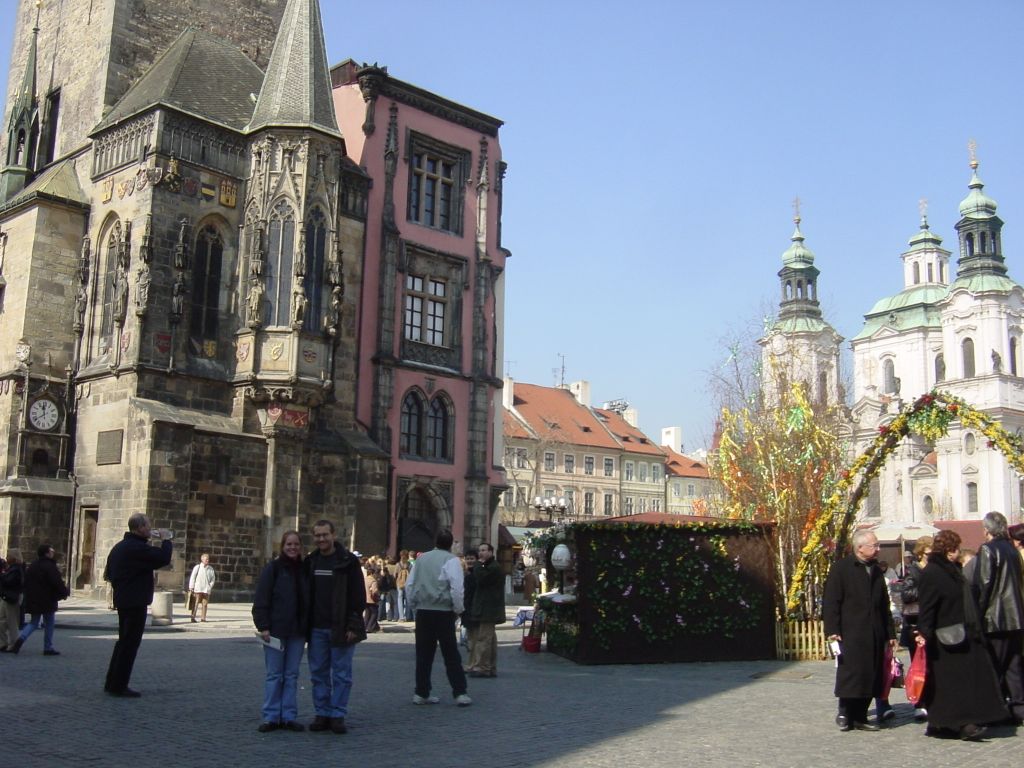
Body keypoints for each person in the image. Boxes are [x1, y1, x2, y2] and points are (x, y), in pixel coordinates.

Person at [915, 529, 1006, 740]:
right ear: (948, 551)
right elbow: (927, 607)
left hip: (963, 633)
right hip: (944, 637)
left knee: (962, 682)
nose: (958, 552)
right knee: (951, 684)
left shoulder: (952, 569)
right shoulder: (933, 572)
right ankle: (959, 724)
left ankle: (948, 723)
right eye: (956, 548)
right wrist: (924, 633)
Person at [823, 530, 895, 731]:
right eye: (875, 545)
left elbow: (884, 604)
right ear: (860, 547)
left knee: (871, 673)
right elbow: (831, 602)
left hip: (874, 632)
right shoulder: (842, 569)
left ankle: (861, 716)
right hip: (851, 631)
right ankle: (845, 712)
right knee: (851, 674)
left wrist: (890, 633)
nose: (878, 549)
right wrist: (832, 629)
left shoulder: (876, 570)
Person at [306, 519, 366, 734]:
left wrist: (353, 624)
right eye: (318, 535)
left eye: (325, 535)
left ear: (333, 535)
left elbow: (358, 596)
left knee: (341, 674)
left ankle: (337, 714)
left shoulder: (347, 561)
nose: (321, 539)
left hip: (340, 626)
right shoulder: (311, 561)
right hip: (316, 628)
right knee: (318, 674)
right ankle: (322, 713)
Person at [103, 514, 173, 697]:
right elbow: (163, 558)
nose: (150, 529)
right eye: (148, 526)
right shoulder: (136, 548)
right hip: (135, 601)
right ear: (140, 528)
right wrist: (166, 539)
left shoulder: (119, 547)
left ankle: (112, 681)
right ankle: (119, 685)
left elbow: (108, 573)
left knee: (123, 642)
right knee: (130, 644)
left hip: (124, 599)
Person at [406, 529, 472, 707]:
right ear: (450, 544)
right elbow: (457, 588)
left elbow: (410, 585)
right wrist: (458, 609)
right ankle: (459, 692)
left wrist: (414, 606)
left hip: (423, 611)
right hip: (443, 611)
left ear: (435, 541)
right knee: (450, 653)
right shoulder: (451, 561)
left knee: (423, 654)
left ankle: (421, 692)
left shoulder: (421, 559)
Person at [252, 531, 309, 732]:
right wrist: (263, 626)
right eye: (289, 544)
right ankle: (271, 716)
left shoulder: (304, 569)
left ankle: (288, 716)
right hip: (275, 630)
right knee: (275, 675)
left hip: (297, 631)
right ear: (282, 546)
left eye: (296, 544)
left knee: (292, 675)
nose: (292, 547)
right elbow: (261, 599)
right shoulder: (273, 569)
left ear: (300, 546)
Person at [972, 511, 1024, 722]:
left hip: (996, 618)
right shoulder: (1012, 550)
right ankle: (1019, 708)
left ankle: (995, 709)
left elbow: (984, 585)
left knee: (994, 665)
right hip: (1016, 617)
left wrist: (976, 615)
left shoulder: (988, 549)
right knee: (1013, 666)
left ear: (987, 530)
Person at [9, 544, 70, 655]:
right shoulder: (50, 566)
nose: (53, 552)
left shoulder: (33, 565)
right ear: (46, 553)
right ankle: (48, 647)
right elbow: (56, 582)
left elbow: (26, 582)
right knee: (49, 623)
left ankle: (21, 639)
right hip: (48, 599)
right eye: (51, 551)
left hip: (34, 598)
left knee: (33, 622)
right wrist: (64, 592)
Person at [899, 535, 932, 720]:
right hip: (915, 623)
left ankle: (931, 700)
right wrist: (926, 590)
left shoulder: (935, 569)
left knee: (932, 664)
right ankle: (919, 702)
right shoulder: (913, 571)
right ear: (921, 553)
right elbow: (906, 594)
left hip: (930, 622)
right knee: (918, 665)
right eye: (928, 552)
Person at [466, 542, 505, 678]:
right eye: (480, 550)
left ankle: (481, 667)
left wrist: (476, 564)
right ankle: (489, 666)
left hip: (488, 609)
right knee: (489, 639)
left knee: (483, 639)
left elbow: (482, 579)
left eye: (484, 550)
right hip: (486, 608)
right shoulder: (488, 566)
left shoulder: (493, 567)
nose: (481, 553)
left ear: (491, 552)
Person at [0, 552, 24, 652]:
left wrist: (1, 576)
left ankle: (13, 643)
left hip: (11, 597)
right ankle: (3, 643)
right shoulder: (11, 568)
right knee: (2, 620)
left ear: (14, 558)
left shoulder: (16, 569)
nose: (7, 558)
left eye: (9, 556)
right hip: (5, 597)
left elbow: (9, 582)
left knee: (12, 621)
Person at [188, 553, 216, 623]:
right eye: (206, 559)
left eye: (208, 559)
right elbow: (193, 577)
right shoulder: (197, 567)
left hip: (206, 589)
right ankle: (193, 617)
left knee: (205, 604)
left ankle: (203, 618)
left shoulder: (210, 569)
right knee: (195, 603)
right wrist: (191, 587)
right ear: (202, 559)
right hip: (198, 588)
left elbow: (213, 579)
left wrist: (210, 586)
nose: (207, 560)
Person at [460, 550, 478, 650]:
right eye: (467, 559)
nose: (469, 561)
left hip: (474, 609)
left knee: (474, 638)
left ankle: (475, 662)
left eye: (472, 559)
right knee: (471, 637)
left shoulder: (477, 573)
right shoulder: (466, 574)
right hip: (467, 608)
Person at [364, 563, 381, 634]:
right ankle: (370, 627)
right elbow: (375, 591)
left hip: (364, 599)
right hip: (372, 600)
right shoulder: (373, 581)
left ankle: (365, 626)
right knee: (374, 613)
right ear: (372, 573)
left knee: (367, 613)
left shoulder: (364, 579)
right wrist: (378, 595)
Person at [396, 550, 412, 621]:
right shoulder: (409, 564)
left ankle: (401, 617)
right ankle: (408, 616)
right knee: (407, 599)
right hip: (408, 583)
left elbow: (395, 574)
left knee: (400, 599)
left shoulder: (398, 564)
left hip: (400, 584)